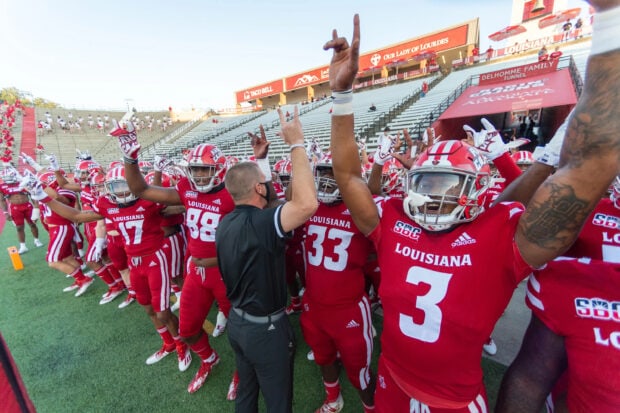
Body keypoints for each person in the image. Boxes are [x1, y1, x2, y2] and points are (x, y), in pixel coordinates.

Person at [324, 13, 619, 412]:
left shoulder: (502, 235)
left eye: (449, 186)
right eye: (426, 183)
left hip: (455, 402)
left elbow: (592, 162)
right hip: (392, 380)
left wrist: (611, 20)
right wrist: (341, 97)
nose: (434, 198)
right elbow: (348, 175)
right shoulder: (394, 220)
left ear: (478, 188)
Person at [112, 122, 233, 394]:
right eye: (195, 170)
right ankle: (209, 359)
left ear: (220, 169)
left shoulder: (233, 194)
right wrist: (130, 158)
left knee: (241, 333)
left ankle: (243, 372)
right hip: (196, 272)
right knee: (188, 330)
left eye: (205, 169)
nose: (199, 176)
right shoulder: (186, 191)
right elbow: (141, 189)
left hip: (227, 272)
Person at [216, 106, 318, 413]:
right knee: (278, 402)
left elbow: (269, 204)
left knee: (247, 394)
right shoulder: (262, 224)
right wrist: (296, 144)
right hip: (266, 330)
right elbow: (306, 204)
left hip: (238, 321)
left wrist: (261, 161)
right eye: (264, 180)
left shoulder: (226, 223)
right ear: (258, 187)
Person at [300, 152, 376, 413]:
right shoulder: (309, 206)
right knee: (323, 357)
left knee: (360, 372)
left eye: (335, 173)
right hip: (314, 304)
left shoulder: (362, 210)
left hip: (349, 309)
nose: (328, 180)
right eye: (324, 172)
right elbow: (284, 201)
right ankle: (333, 399)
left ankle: (370, 407)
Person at [0, 165, 43, 254]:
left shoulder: (23, 182)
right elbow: (2, 200)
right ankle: (23, 246)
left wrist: (36, 207)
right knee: (19, 228)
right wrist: (5, 212)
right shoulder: (2, 186)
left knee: (33, 224)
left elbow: (33, 194)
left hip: (27, 206)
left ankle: (36, 240)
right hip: (15, 208)